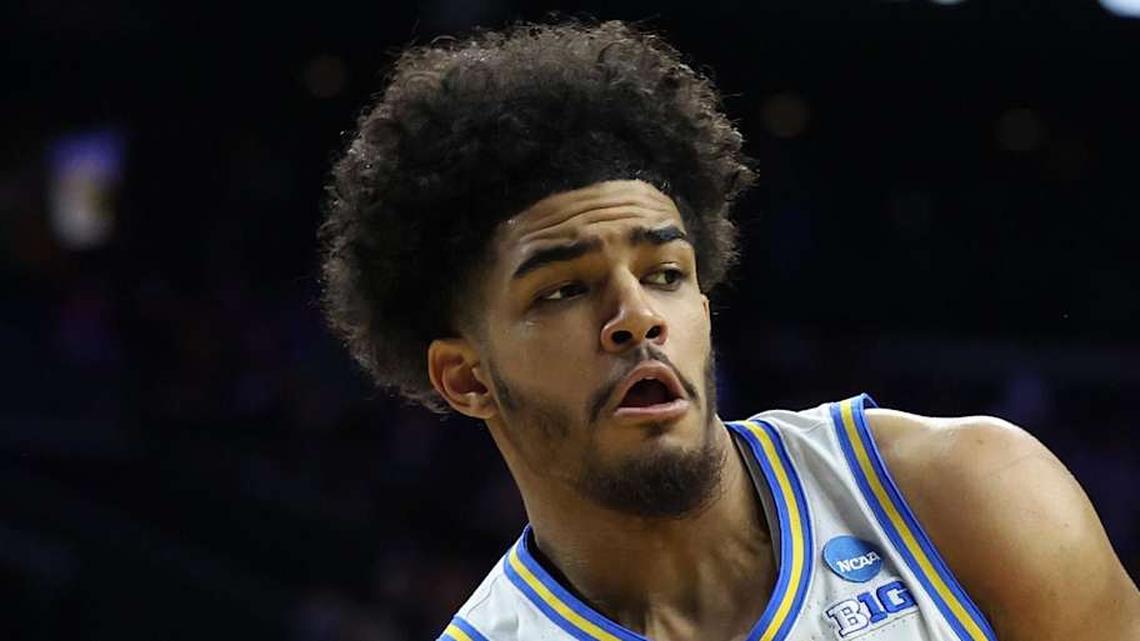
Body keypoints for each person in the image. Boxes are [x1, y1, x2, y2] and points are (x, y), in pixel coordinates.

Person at [318, 20, 1140, 641]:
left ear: (704, 306)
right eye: (564, 289)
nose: (637, 316)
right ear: (467, 377)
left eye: (666, 273)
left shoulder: (962, 491)